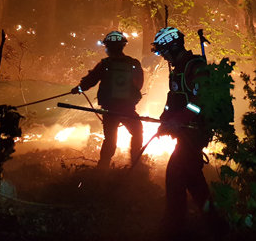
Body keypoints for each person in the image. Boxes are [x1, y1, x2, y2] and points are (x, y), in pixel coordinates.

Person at [151, 27, 214, 238]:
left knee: (175, 176)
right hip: (184, 132)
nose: (161, 56)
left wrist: (180, 120)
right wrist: (164, 120)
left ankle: (173, 227)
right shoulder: (177, 70)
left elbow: (200, 102)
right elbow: (173, 100)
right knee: (194, 181)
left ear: (173, 46)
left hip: (195, 132)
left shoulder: (195, 67)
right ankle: (216, 224)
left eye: (162, 51)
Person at [71, 31, 144, 168]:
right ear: (123, 46)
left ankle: (102, 169)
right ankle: (136, 163)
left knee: (110, 140)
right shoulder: (133, 63)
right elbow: (139, 85)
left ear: (108, 47)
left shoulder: (105, 64)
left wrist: (78, 89)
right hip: (128, 109)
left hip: (110, 109)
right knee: (137, 132)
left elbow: (90, 81)